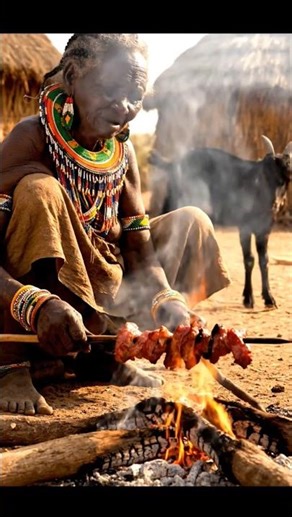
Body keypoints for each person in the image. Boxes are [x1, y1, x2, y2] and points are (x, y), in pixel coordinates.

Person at [0, 33, 231, 416]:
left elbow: (140, 249)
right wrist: (36, 305)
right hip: (35, 304)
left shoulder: (121, 154)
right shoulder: (31, 138)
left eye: (136, 96)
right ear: (73, 76)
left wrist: (167, 301)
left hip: (100, 289)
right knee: (39, 191)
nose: (124, 106)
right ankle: (10, 363)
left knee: (192, 223)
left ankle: (103, 353)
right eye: (110, 88)